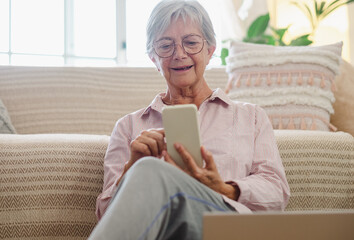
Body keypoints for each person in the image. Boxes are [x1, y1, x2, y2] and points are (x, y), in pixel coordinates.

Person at [89, 0, 290, 239]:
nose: (179, 54)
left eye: (191, 43)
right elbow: (108, 216)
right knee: (146, 169)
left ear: (210, 50)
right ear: (154, 58)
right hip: (163, 231)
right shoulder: (128, 127)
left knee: (150, 169)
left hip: (224, 228)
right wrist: (130, 171)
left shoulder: (250, 117)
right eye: (165, 46)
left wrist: (223, 188)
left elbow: (277, 193)